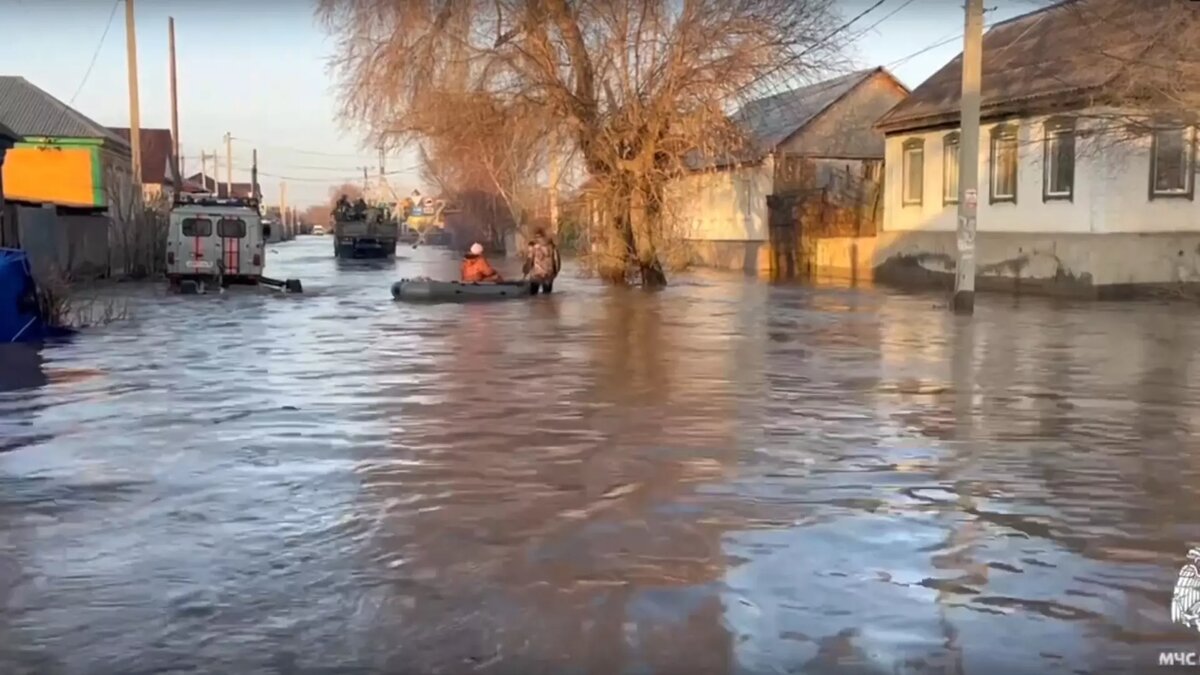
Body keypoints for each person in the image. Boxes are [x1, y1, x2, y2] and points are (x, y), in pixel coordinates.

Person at [523, 229, 561, 295]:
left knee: (533, 296)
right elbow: (557, 261)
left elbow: (529, 260)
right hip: (549, 275)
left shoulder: (533, 247)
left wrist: (525, 271)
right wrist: (555, 273)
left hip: (536, 275)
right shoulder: (552, 246)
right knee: (547, 297)